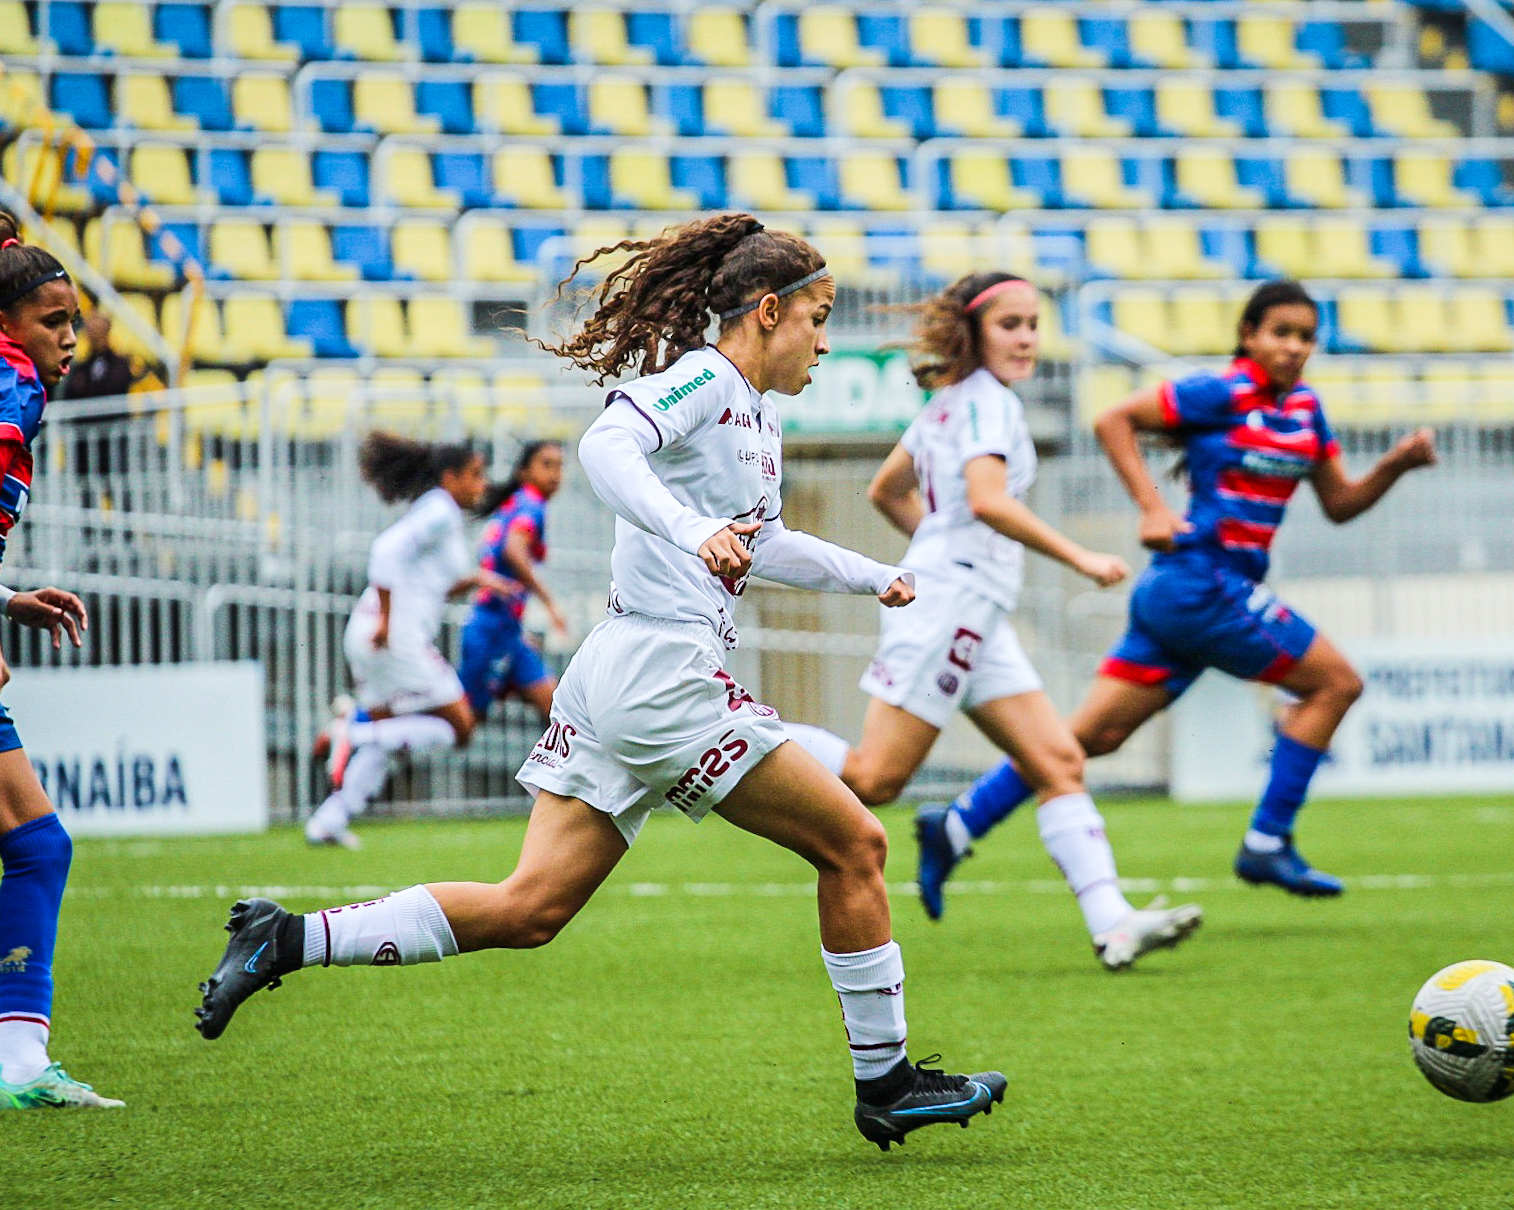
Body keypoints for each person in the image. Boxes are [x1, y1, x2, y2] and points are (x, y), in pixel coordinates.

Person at [196, 214, 1008, 1151]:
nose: (826, 341)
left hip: (620, 671)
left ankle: (281, 939)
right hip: (662, 677)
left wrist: (874, 577)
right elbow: (605, 447)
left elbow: (762, 540)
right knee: (855, 844)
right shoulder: (705, 377)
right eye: (819, 318)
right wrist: (683, 528)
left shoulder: (756, 412)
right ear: (770, 310)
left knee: (529, 906)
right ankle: (888, 1082)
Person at [917, 280, 1438, 908]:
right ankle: (1268, 841)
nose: (1294, 348)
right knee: (1336, 683)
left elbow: (1340, 504)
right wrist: (1152, 507)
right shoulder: (1219, 391)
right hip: (1202, 583)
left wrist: (1396, 465)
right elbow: (1115, 418)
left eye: (1306, 337)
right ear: (1249, 336)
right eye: (1281, 333)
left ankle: (957, 823)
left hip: (1198, 595)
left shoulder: (1306, 412)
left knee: (1084, 740)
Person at [780, 272, 1202, 969]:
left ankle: (1113, 922)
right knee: (874, 778)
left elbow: (887, 490)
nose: (1028, 337)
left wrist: (934, 550)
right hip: (953, 605)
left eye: (1034, 323)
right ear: (974, 332)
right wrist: (1078, 557)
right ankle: (726, 733)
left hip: (968, 605)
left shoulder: (950, 403)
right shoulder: (987, 405)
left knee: (1058, 761)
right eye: (1010, 324)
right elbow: (986, 501)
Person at [0, 213, 125, 1109]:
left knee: (33, 844)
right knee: (38, 846)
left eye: (74, 321)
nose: (70, 339)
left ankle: (17, 1064)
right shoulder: (11, 393)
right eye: (53, 322)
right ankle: (17, 1067)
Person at [305, 434, 512, 849]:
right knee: (460, 726)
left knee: (391, 737)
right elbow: (384, 552)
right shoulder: (439, 511)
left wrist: (476, 579)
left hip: (374, 633)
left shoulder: (437, 511)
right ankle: (353, 731)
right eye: (474, 475)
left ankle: (328, 821)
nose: (481, 484)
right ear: (449, 477)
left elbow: (431, 580)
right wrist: (386, 619)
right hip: (392, 638)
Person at [459, 440, 567, 726]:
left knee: (556, 709)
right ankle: (359, 724)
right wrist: (549, 602)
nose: (555, 474)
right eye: (546, 465)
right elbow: (513, 550)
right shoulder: (531, 505)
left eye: (559, 466)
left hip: (509, 632)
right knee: (462, 723)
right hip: (489, 630)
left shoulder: (520, 501)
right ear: (524, 471)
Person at [57, 311, 135, 401]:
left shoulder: (120, 364)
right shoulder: (81, 368)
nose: (95, 336)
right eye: (91, 331)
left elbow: (117, 388)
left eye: (99, 331)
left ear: (107, 331)